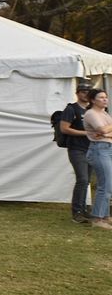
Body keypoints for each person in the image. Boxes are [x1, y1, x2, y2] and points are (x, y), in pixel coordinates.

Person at [58, 84, 93, 223]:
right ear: (77, 93)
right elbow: (64, 128)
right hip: (77, 149)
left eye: (89, 92)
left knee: (86, 181)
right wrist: (86, 133)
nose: (86, 94)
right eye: (84, 92)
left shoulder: (92, 109)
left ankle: (83, 210)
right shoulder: (71, 109)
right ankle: (77, 212)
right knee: (82, 179)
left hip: (91, 149)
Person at [82, 88, 112, 230]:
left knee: (108, 184)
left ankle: (105, 216)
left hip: (107, 147)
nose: (105, 99)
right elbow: (103, 130)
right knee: (105, 184)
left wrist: (106, 133)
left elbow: (106, 132)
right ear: (93, 100)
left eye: (105, 97)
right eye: (101, 97)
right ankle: (98, 218)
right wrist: (105, 132)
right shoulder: (91, 113)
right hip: (99, 149)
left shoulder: (104, 113)